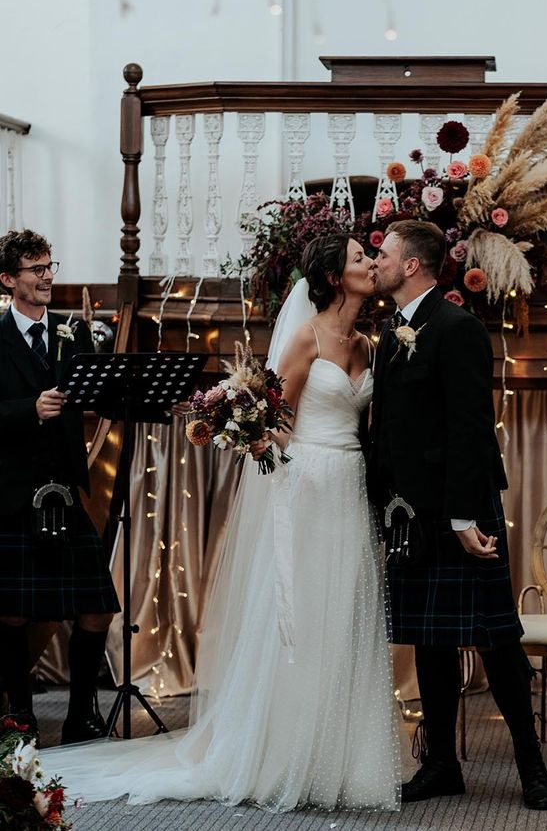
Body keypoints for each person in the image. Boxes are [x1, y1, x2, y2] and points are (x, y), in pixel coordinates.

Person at [42, 233, 401, 812]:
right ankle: (281, 751)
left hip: (349, 488)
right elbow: (277, 417)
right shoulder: (306, 338)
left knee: (345, 611)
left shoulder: (369, 342)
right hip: (305, 484)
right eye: (361, 258)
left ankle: (339, 757)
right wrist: (255, 436)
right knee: (301, 614)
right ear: (337, 277)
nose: (371, 264)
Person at [370, 220, 547, 810]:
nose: (376, 262)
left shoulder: (459, 329)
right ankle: (442, 765)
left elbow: (472, 430)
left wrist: (459, 518)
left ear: (411, 266)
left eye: (384, 254)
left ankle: (532, 765)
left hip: (462, 511)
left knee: (495, 640)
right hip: (412, 514)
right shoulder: (391, 331)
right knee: (430, 643)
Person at [0, 229, 120, 744]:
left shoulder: (76, 333)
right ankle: (20, 715)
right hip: (12, 493)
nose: (48, 276)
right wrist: (28, 410)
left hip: (66, 493)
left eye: (50, 265)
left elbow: (101, 395)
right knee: (12, 609)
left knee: (97, 607)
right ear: (9, 280)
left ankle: (80, 714)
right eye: (36, 269)